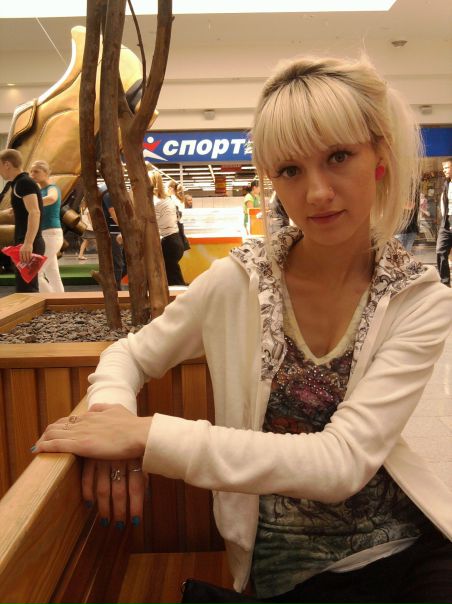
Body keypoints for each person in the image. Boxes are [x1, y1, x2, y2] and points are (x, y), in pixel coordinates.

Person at [34, 56, 452, 604]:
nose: (317, 192)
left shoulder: (420, 301)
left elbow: (342, 462)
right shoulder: (240, 282)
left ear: (379, 157)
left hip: (412, 552)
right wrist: (112, 417)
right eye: (291, 170)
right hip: (296, 575)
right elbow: (129, 355)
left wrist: (146, 436)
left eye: (338, 157)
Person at [0, 149, 44, 292]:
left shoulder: (24, 183)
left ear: (7, 164)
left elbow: (34, 212)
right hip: (24, 242)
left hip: (28, 243)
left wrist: (28, 243)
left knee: (27, 290)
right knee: (25, 288)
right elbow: (27, 210)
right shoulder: (18, 183)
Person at [30, 160, 65, 292]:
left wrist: (31, 203)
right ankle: (60, 301)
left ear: (46, 173)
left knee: (35, 274)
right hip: (47, 234)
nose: (32, 174)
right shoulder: (40, 191)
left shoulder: (52, 188)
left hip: (51, 234)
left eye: (36, 171)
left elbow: (51, 198)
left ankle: (50, 299)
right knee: (53, 274)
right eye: (31, 171)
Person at [149, 170, 186, 286]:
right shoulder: (167, 199)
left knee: (173, 280)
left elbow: (151, 223)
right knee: (173, 276)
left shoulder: (155, 202)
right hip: (175, 240)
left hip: (168, 243)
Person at [99, 185, 126, 290]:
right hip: (113, 232)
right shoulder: (108, 192)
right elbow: (112, 211)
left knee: (116, 261)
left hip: (111, 231)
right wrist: (124, 228)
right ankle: (116, 289)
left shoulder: (106, 190)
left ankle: (114, 288)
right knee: (117, 262)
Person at [435, 158, 452, 286]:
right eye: (443, 168)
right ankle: (444, 282)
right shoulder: (447, 183)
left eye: (447, 167)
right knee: (440, 251)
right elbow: (443, 202)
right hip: (446, 222)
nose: (444, 170)